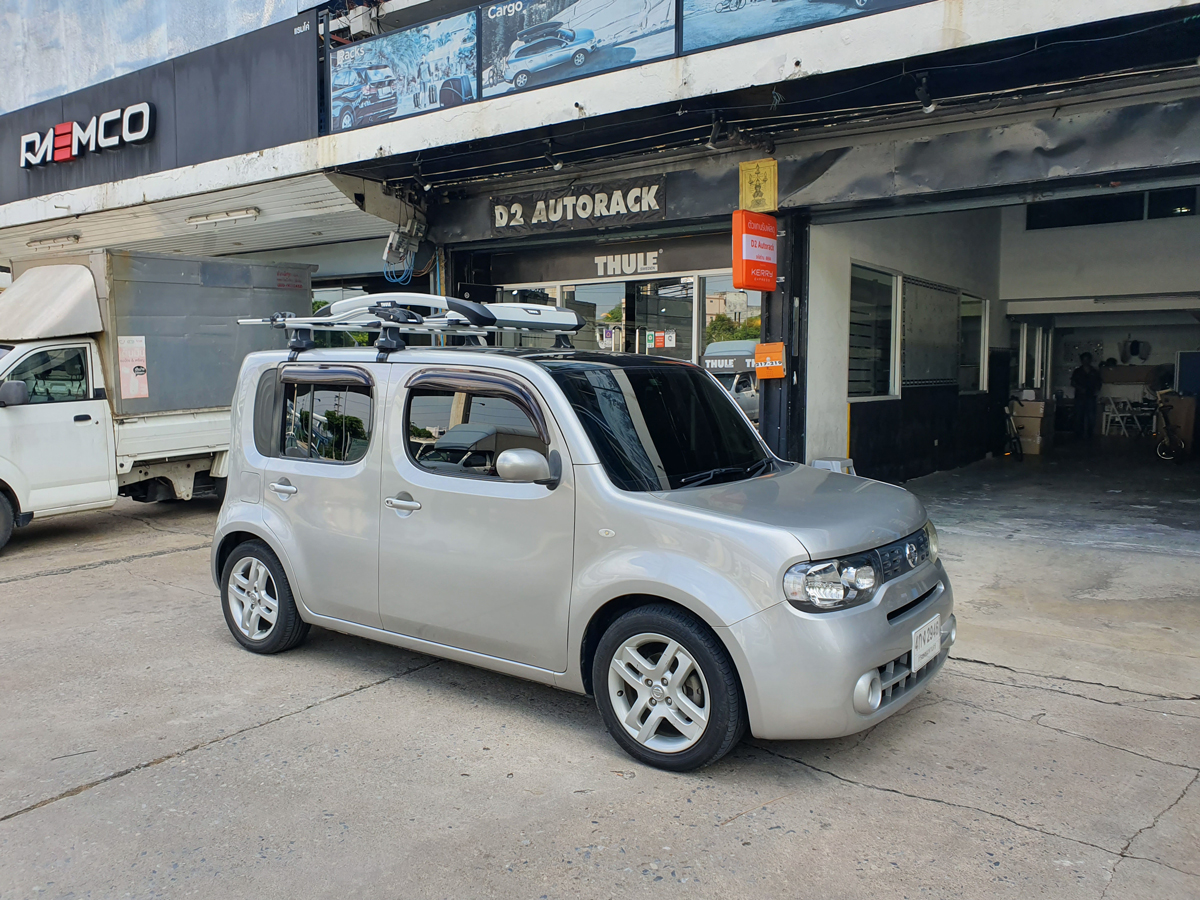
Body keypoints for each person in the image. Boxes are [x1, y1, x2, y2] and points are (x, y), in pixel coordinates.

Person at [1071, 352, 1103, 438]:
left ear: (1090, 360)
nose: (1086, 362)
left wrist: (1096, 390)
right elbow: (1073, 382)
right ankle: (1078, 434)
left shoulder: (1094, 371)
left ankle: (1090, 434)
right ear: (1081, 361)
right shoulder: (1077, 371)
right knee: (1079, 416)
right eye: (1084, 360)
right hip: (1080, 396)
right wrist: (1080, 388)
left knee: (1091, 416)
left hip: (1091, 396)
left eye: (1087, 359)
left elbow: (1099, 383)